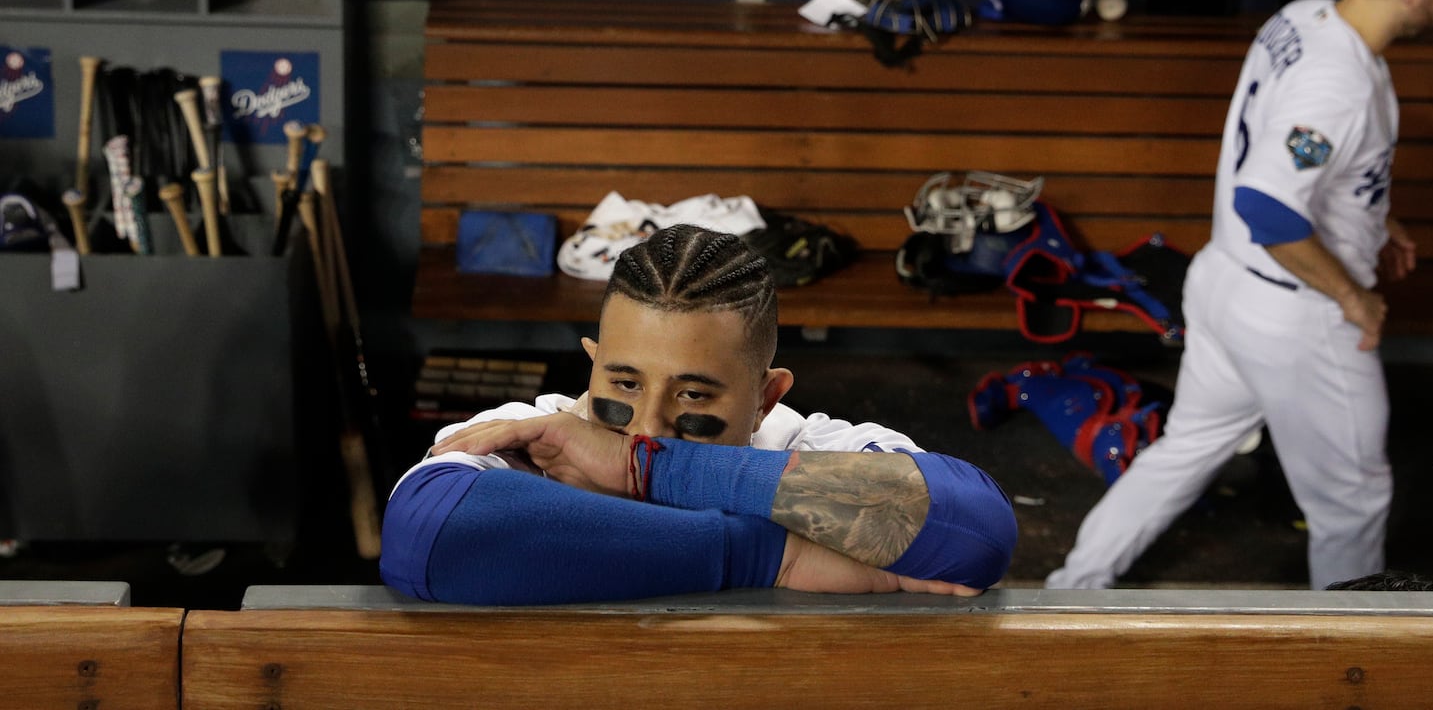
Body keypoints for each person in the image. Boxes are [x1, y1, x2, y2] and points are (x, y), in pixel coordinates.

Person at [1045, 0, 1433, 591]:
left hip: (1225, 285)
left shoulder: (1305, 16)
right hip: (1296, 313)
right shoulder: (1336, 79)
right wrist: (1354, 296)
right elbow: (1268, 206)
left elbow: (1306, 169)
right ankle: (1350, 665)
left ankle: (1072, 588)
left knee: (1183, 450)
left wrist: (1376, 219)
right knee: (1352, 502)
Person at [381, 222, 1019, 605]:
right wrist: (772, 557)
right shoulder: (533, 431)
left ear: (767, 396)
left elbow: (979, 534)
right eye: (624, 382)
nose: (648, 425)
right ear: (592, 363)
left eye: (693, 396)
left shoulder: (809, 445)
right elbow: (425, 536)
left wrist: (640, 469)